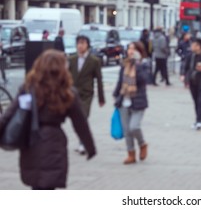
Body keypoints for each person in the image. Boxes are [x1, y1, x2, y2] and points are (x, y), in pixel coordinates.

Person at [0, 50, 96, 190]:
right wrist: (90, 148)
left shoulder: (28, 89)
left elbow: (8, 115)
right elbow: (80, 124)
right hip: (54, 141)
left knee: (36, 185)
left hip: (30, 140)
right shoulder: (67, 92)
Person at [113, 42, 149, 164]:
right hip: (124, 100)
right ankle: (131, 154)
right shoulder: (124, 64)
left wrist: (137, 65)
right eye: (129, 48)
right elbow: (120, 81)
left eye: (134, 49)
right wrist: (115, 95)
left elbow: (144, 79)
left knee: (134, 127)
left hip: (138, 101)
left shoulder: (144, 64)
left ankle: (142, 144)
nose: (131, 51)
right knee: (127, 130)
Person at [68, 35, 105, 155]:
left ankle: (82, 143)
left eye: (83, 43)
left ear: (87, 45)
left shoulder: (94, 61)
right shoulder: (72, 59)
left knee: (83, 117)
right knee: (76, 120)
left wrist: (101, 98)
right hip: (73, 94)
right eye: (78, 43)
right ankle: (81, 141)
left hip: (86, 94)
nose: (80, 46)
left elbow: (99, 80)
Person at [180, 39, 201, 130]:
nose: (191, 47)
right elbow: (185, 66)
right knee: (195, 101)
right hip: (192, 81)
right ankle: (197, 120)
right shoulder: (190, 56)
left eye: (193, 45)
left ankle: (199, 121)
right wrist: (183, 76)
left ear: (199, 46)